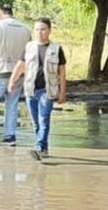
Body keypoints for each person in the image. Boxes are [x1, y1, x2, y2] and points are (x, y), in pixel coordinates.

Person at [8, 18, 66, 162]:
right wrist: (12, 81)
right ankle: (43, 147)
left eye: (43, 29)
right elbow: (21, 66)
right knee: (36, 122)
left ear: (49, 30)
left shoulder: (56, 49)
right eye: (37, 29)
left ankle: (40, 147)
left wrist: (62, 92)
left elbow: (62, 73)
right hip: (30, 90)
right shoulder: (29, 47)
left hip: (48, 90)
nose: (40, 32)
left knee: (43, 119)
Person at [0, 4, 32, 146]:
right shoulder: (26, 29)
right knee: (12, 104)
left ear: (0, 13)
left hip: (2, 70)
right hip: (19, 72)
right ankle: (9, 136)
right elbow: (29, 53)